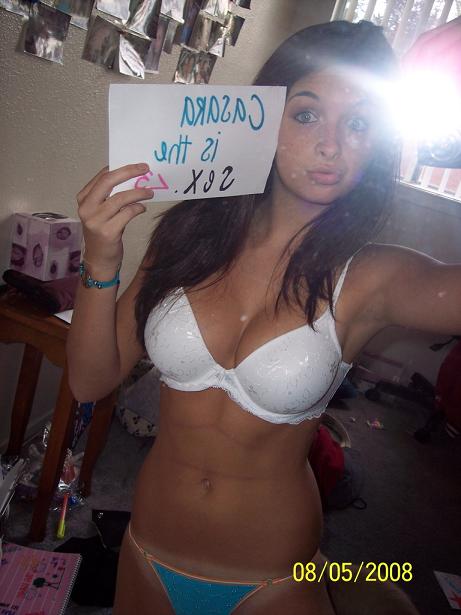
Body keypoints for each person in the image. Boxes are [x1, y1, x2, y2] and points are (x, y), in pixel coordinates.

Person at [66, 20, 460, 614]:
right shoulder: (186, 236)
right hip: (147, 549)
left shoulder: (374, 276)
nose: (332, 145)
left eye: (359, 124)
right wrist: (100, 260)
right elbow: (89, 381)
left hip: (273, 577)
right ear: (263, 116)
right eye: (307, 114)